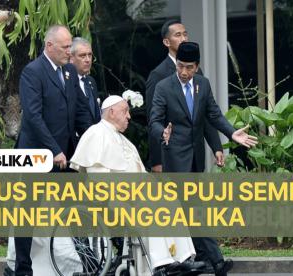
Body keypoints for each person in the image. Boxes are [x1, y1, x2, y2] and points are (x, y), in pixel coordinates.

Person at [149, 42, 258, 276]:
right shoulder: (163, 87)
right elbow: (154, 120)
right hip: (176, 158)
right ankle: (217, 261)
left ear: (197, 67)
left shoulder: (203, 85)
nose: (184, 72)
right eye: (180, 66)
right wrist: (162, 133)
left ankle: (201, 259)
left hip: (196, 157)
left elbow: (213, 115)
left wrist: (230, 133)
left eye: (189, 67)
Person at [70, 95, 206, 275]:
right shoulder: (95, 134)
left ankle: (181, 258)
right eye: (125, 111)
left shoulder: (122, 139)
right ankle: (160, 262)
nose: (129, 117)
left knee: (169, 199)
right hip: (112, 198)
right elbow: (97, 180)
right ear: (111, 112)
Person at [10, 24, 93, 276]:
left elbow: (78, 113)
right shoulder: (32, 72)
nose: (70, 52)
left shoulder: (68, 71)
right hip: (37, 152)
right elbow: (33, 117)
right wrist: (54, 150)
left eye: (70, 46)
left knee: (75, 209)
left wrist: (94, 141)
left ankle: (88, 263)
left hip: (65, 154)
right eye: (66, 47)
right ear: (49, 46)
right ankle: (22, 268)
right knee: (28, 212)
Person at [146, 19, 224, 173]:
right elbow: (153, 120)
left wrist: (216, 147)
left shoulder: (197, 73)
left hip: (196, 156)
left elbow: (205, 114)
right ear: (167, 42)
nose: (183, 38)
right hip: (172, 158)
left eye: (185, 34)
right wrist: (157, 161)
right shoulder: (158, 75)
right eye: (178, 35)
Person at [70, 37, 101, 125]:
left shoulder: (91, 81)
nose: (87, 60)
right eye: (82, 56)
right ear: (71, 58)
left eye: (90, 55)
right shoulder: (67, 82)